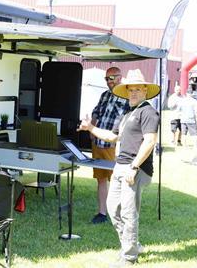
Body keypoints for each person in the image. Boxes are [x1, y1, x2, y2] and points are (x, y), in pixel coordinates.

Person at [77, 69, 160, 266]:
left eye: (137, 90)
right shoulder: (129, 112)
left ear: (145, 91)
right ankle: (132, 244)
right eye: (130, 90)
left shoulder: (148, 112)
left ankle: (129, 256)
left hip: (135, 168)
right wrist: (90, 129)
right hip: (120, 166)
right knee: (113, 209)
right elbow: (112, 137)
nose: (133, 93)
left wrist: (134, 167)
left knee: (129, 212)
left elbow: (149, 142)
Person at [90, 67, 130, 224]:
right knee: (101, 179)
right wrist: (92, 130)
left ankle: (119, 214)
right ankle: (102, 213)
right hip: (98, 143)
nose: (109, 81)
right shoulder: (105, 95)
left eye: (111, 78)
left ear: (120, 77)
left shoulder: (128, 96)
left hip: (115, 145)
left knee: (118, 180)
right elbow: (96, 112)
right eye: (106, 79)